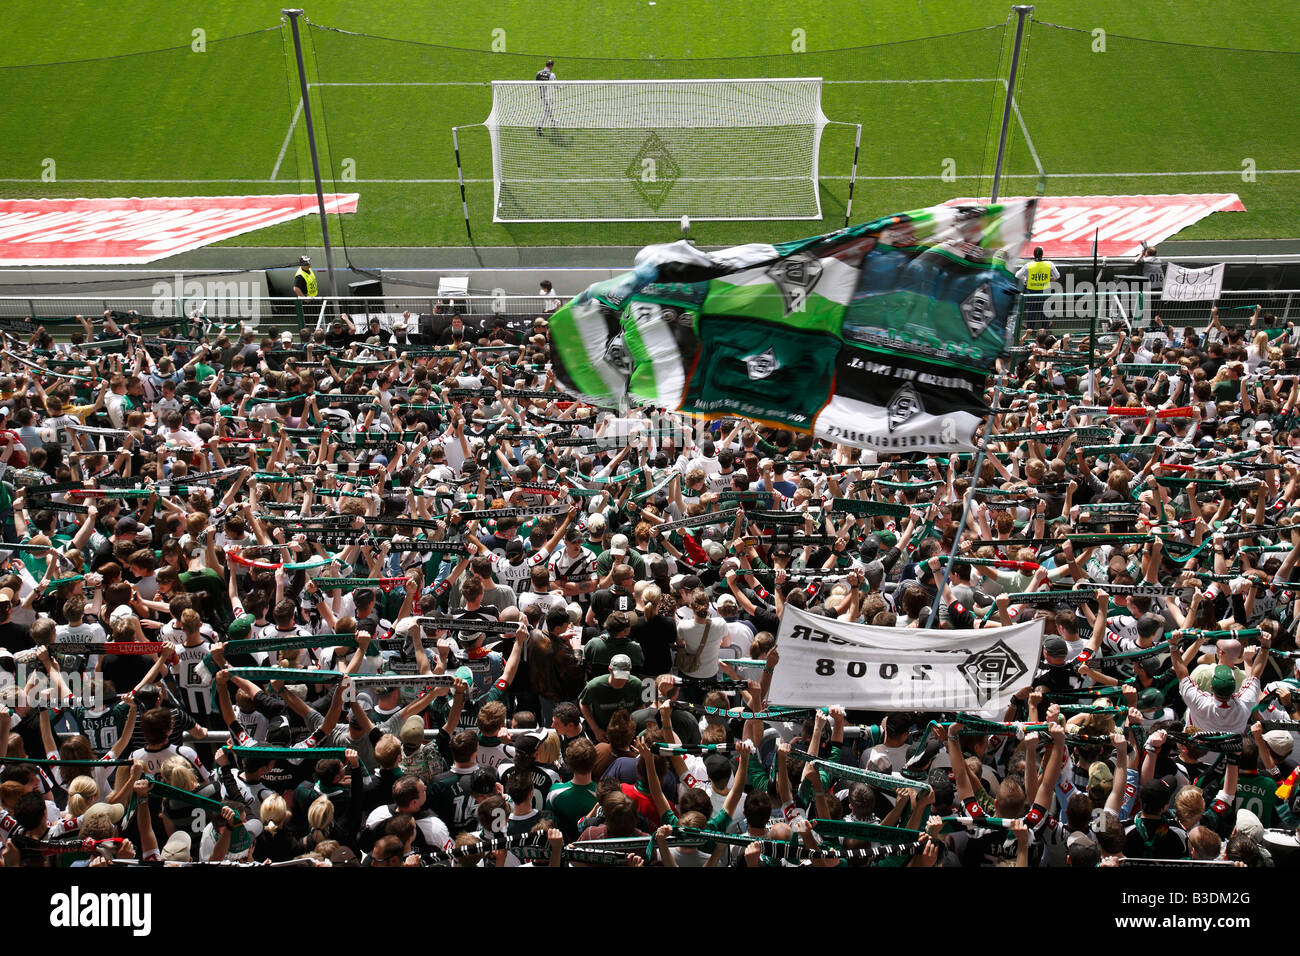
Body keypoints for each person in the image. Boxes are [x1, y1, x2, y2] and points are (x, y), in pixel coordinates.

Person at [1015, 245, 1059, 330]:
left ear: (1034, 254)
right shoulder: (1049, 264)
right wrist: (1049, 279)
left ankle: (1030, 327)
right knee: (1045, 309)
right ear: (1042, 254)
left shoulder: (1028, 265)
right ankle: (1045, 327)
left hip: (1031, 291)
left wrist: (1026, 280)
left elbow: (1017, 275)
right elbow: (1057, 276)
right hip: (1045, 291)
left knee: (1031, 310)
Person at [535, 58, 557, 134]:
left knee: (549, 108)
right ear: (551, 66)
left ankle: (553, 121)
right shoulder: (552, 75)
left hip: (542, 94)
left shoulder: (538, 73)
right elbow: (556, 85)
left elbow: (537, 83)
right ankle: (539, 127)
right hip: (548, 95)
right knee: (547, 111)